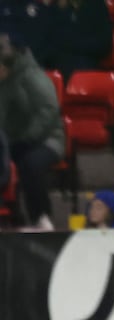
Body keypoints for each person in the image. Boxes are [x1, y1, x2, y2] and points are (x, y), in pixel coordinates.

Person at [0, 34, 64, 231]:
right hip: (15, 140)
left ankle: (42, 218)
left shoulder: (32, 76)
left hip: (47, 140)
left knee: (31, 164)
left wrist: (28, 137)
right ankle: (14, 215)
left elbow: (49, 109)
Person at [37, 0, 112, 81]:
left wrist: (70, 43)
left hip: (86, 64)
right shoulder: (54, 7)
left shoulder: (97, 5)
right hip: (56, 64)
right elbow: (47, 42)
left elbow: (105, 44)